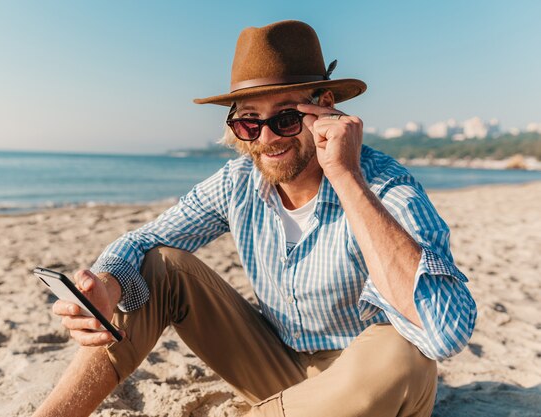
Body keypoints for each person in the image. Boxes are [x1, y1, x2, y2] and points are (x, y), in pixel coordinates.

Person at [34, 20, 476, 417]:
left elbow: (443, 334)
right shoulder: (238, 182)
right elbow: (144, 242)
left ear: (325, 108)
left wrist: (346, 177)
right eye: (249, 123)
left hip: (367, 385)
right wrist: (107, 289)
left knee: (403, 351)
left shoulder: (383, 186)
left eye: (285, 118)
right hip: (275, 368)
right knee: (159, 264)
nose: (266, 138)